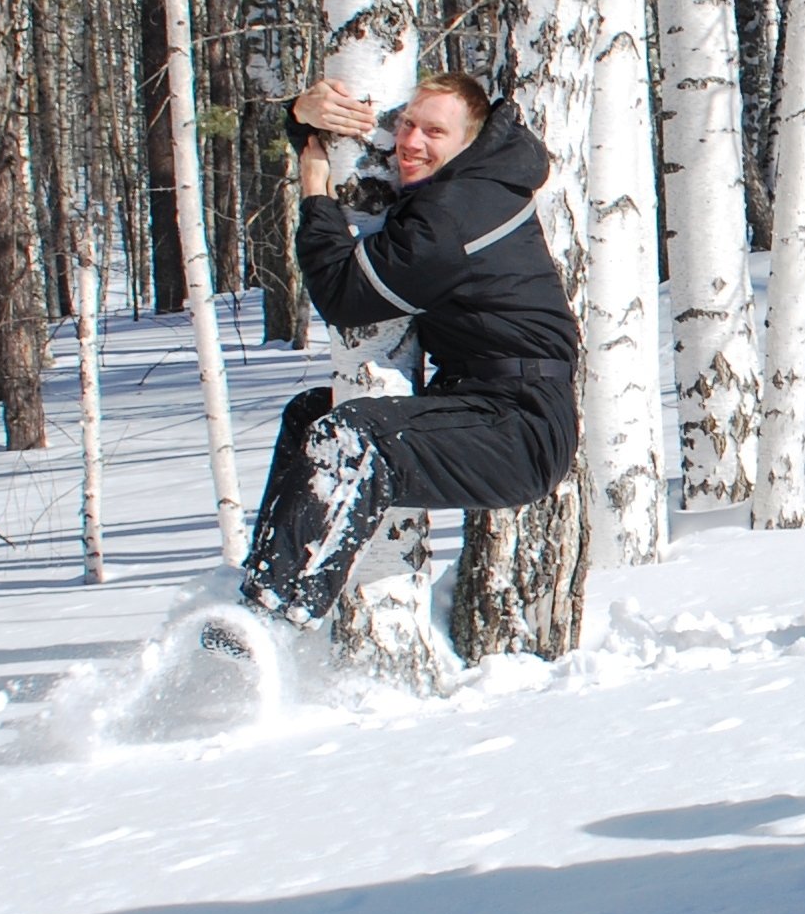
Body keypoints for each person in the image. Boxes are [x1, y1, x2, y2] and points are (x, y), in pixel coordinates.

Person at [239, 71, 578, 624]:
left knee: (352, 438)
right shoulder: (474, 181)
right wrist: (302, 117)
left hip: (521, 427)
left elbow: (344, 296)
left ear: (469, 141)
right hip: (479, 403)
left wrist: (314, 185)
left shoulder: (458, 211)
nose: (411, 143)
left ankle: (274, 613)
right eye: (406, 125)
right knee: (312, 415)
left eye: (434, 133)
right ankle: (263, 583)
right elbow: (347, 128)